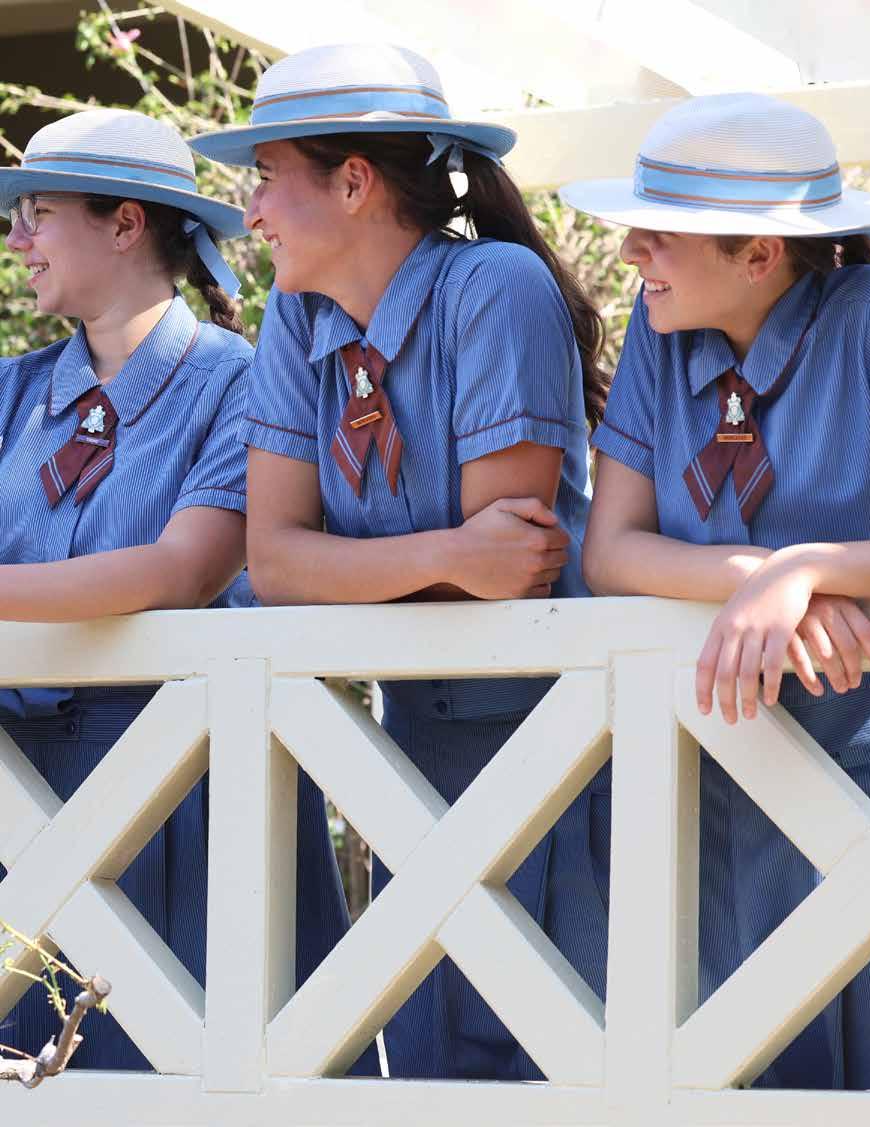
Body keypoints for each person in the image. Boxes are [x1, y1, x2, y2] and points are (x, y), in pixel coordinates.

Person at [562, 92, 870, 1092]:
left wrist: (807, 569)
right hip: (723, 782)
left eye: (661, 230)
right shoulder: (661, 327)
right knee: (754, 1094)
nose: (631, 250)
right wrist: (759, 583)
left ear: (759, 254)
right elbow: (610, 549)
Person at [191, 43, 608, 1080]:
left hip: (558, 745)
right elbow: (272, 561)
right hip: (404, 749)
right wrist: (448, 551)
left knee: (564, 1070)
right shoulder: (299, 313)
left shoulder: (495, 285)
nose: (250, 211)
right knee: (422, 1072)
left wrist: (371, 564)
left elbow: (509, 568)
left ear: (353, 182)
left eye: (265, 176)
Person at [0, 108, 361, 1071]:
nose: (17, 240)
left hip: (182, 786)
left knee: (187, 1074)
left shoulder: (240, 380)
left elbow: (181, 569)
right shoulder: (10, 391)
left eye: (38, 213)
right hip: (17, 791)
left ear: (125, 224)